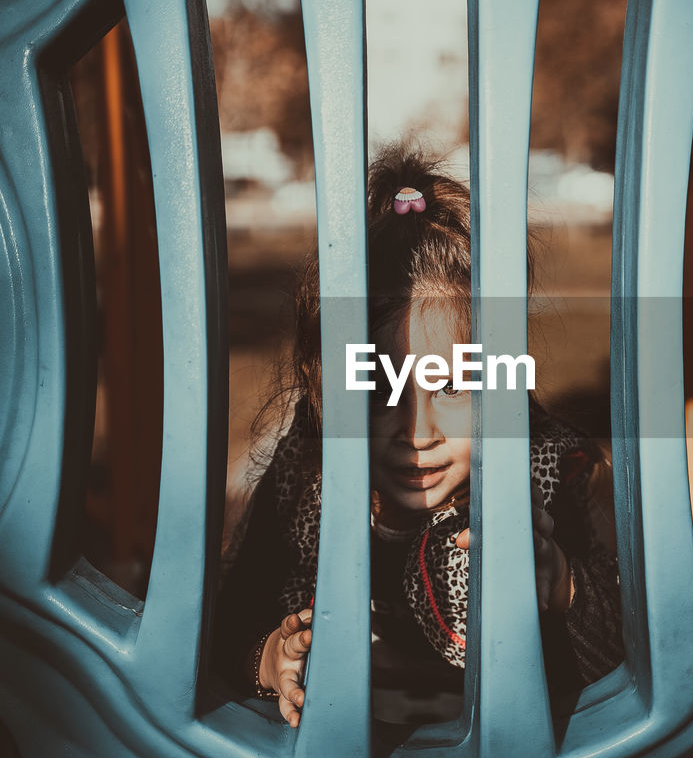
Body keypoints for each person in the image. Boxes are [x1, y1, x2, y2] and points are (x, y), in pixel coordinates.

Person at [213, 147, 623, 727]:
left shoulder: (542, 470)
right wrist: (268, 659)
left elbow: (628, 659)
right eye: (381, 392)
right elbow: (231, 617)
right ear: (325, 389)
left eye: (453, 390)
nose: (418, 434)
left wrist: (561, 585)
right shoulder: (310, 472)